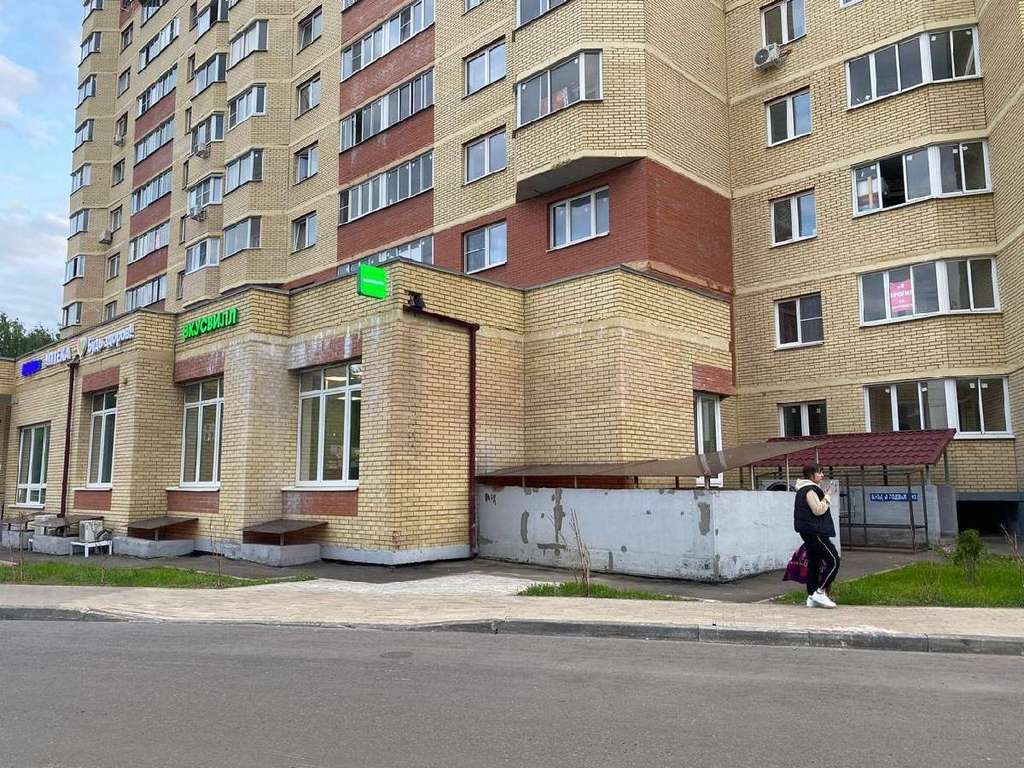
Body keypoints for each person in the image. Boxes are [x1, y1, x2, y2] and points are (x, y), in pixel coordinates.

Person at [794, 464, 840, 608]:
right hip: (816, 532)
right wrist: (828, 496)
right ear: (811, 475)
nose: (822, 475)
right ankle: (820, 592)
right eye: (819, 473)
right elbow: (818, 510)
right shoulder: (809, 490)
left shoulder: (805, 489)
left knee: (815, 562)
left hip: (809, 531)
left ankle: (812, 595)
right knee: (834, 560)